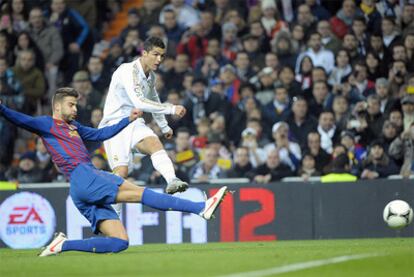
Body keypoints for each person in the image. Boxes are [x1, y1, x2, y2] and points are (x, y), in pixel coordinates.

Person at [0, 87, 227, 256]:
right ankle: (200, 208)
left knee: (120, 242)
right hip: (85, 176)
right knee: (140, 194)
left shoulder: (75, 127)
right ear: (57, 106)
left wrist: (127, 121)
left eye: (76, 105)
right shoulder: (46, 123)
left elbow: (100, 135)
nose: (75, 109)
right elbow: (19, 119)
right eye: (71, 104)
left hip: (81, 188)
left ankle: (62, 245)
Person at [99, 37, 189, 196]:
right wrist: (171, 108)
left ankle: (172, 180)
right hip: (114, 125)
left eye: (162, 56)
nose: (159, 59)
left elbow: (153, 99)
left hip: (134, 122)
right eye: (155, 54)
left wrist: (163, 126)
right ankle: (111, 218)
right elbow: (139, 101)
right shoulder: (128, 70)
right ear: (144, 53)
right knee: (121, 175)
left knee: (155, 143)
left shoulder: (151, 77)